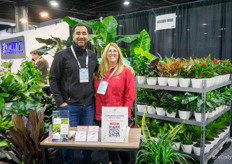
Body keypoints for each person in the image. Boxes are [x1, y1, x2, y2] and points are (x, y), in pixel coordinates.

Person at [49, 24, 98, 164]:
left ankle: (86, 161)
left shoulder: (92, 55)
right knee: (65, 140)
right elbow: (53, 78)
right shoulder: (62, 55)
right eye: (78, 33)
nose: (81, 36)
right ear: (73, 36)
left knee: (87, 139)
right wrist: (60, 103)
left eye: (84, 33)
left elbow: (100, 72)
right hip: (68, 106)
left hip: (88, 106)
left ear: (88, 36)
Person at [94, 43, 135, 164]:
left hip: (119, 115)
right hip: (101, 115)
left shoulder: (126, 71)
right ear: (105, 54)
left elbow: (130, 95)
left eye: (115, 51)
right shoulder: (99, 72)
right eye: (109, 51)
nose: (112, 53)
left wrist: (126, 115)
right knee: (109, 146)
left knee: (121, 146)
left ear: (119, 54)